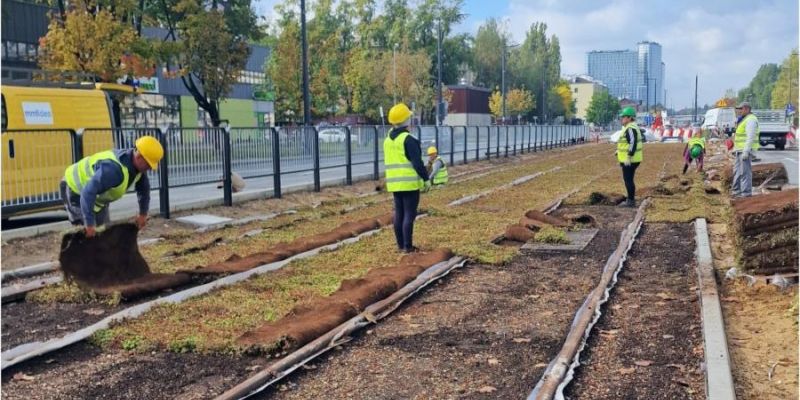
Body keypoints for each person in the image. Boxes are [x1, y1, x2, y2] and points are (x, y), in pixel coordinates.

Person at [61, 135, 164, 238]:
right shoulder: (113, 171)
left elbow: (144, 189)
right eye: (148, 164)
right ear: (139, 156)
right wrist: (89, 224)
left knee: (103, 235)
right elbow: (87, 193)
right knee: (88, 237)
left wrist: (143, 214)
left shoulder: (138, 169)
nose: (150, 168)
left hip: (95, 197)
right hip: (74, 189)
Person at [384, 103, 430, 253]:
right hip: (409, 184)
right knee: (409, 215)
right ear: (406, 120)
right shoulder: (409, 140)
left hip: (394, 185)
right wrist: (426, 178)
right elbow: (417, 163)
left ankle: (400, 246)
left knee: (399, 214)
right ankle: (408, 247)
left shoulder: (387, 140)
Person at [616, 106, 643, 207]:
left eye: (623, 117)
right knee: (628, 179)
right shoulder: (629, 128)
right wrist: (618, 151)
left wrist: (628, 156)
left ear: (630, 118)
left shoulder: (630, 128)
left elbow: (632, 143)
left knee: (628, 180)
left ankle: (630, 201)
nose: (621, 119)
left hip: (631, 160)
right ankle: (630, 199)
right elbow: (626, 143)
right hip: (631, 159)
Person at [731, 101, 759, 197]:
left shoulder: (751, 120)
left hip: (744, 151)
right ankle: (736, 192)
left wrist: (746, 151)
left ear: (747, 109)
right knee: (737, 172)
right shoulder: (743, 119)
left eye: (741, 109)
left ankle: (746, 194)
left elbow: (750, 136)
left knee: (745, 173)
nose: (739, 111)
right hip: (739, 150)